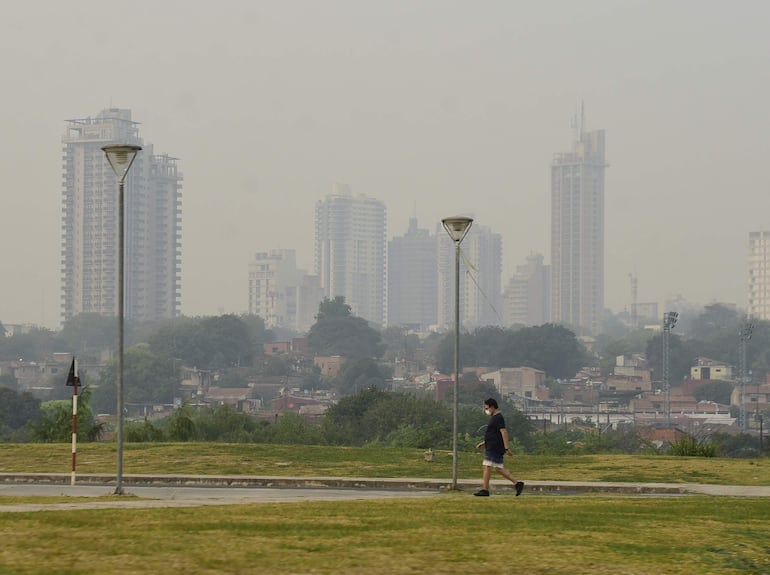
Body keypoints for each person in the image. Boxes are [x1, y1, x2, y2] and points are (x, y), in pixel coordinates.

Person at [473, 398, 524, 497]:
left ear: (492, 407)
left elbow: (503, 432)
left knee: (486, 466)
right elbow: (494, 434)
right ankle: (517, 484)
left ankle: (485, 490)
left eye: (487, 408)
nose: (486, 410)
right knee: (498, 468)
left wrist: (506, 448)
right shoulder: (494, 418)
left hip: (494, 447)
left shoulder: (498, 418)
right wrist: (484, 443)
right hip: (492, 445)